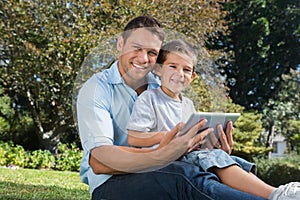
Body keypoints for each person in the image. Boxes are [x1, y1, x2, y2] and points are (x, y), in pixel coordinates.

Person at [77, 15, 268, 200]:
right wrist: (162, 153)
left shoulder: (164, 86)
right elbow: (100, 161)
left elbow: (182, 140)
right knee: (184, 176)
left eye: (152, 53)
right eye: (136, 48)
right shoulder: (96, 89)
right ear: (120, 44)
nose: (144, 59)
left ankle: (276, 195)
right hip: (112, 183)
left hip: (164, 168)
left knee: (213, 167)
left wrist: (209, 149)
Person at [127, 39, 300, 200]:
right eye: (173, 66)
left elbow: (195, 140)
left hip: (187, 154)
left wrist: (210, 139)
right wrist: (170, 136)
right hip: (165, 159)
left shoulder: (188, 104)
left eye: (186, 70)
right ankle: (275, 194)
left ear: (192, 77)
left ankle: (269, 193)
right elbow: (134, 137)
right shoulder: (149, 98)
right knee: (213, 158)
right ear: (158, 69)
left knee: (235, 161)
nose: (179, 74)